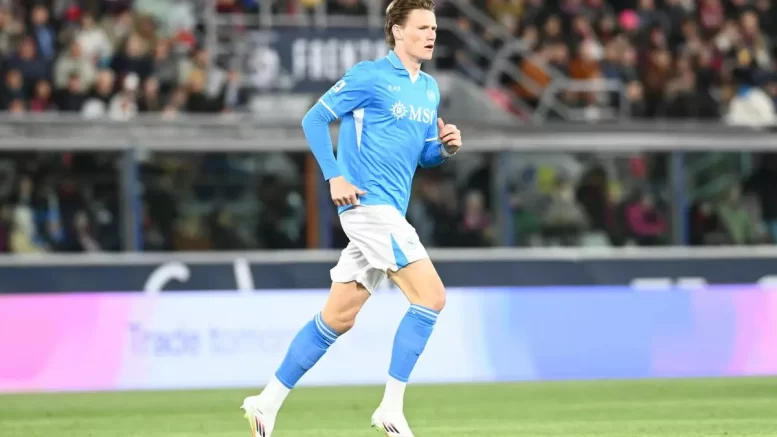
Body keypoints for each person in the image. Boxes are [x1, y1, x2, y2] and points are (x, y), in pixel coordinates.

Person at [240, 0, 462, 436]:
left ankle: (265, 403)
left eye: (434, 28)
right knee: (431, 297)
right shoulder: (369, 76)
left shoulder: (429, 89)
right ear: (397, 32)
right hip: (367, 206)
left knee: (338, 317)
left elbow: (423, 155)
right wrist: (334, 175)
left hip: (389, 210)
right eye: (422, 27)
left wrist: (444, 148)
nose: (431, 35)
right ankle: (391, 409)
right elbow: (314, 119)